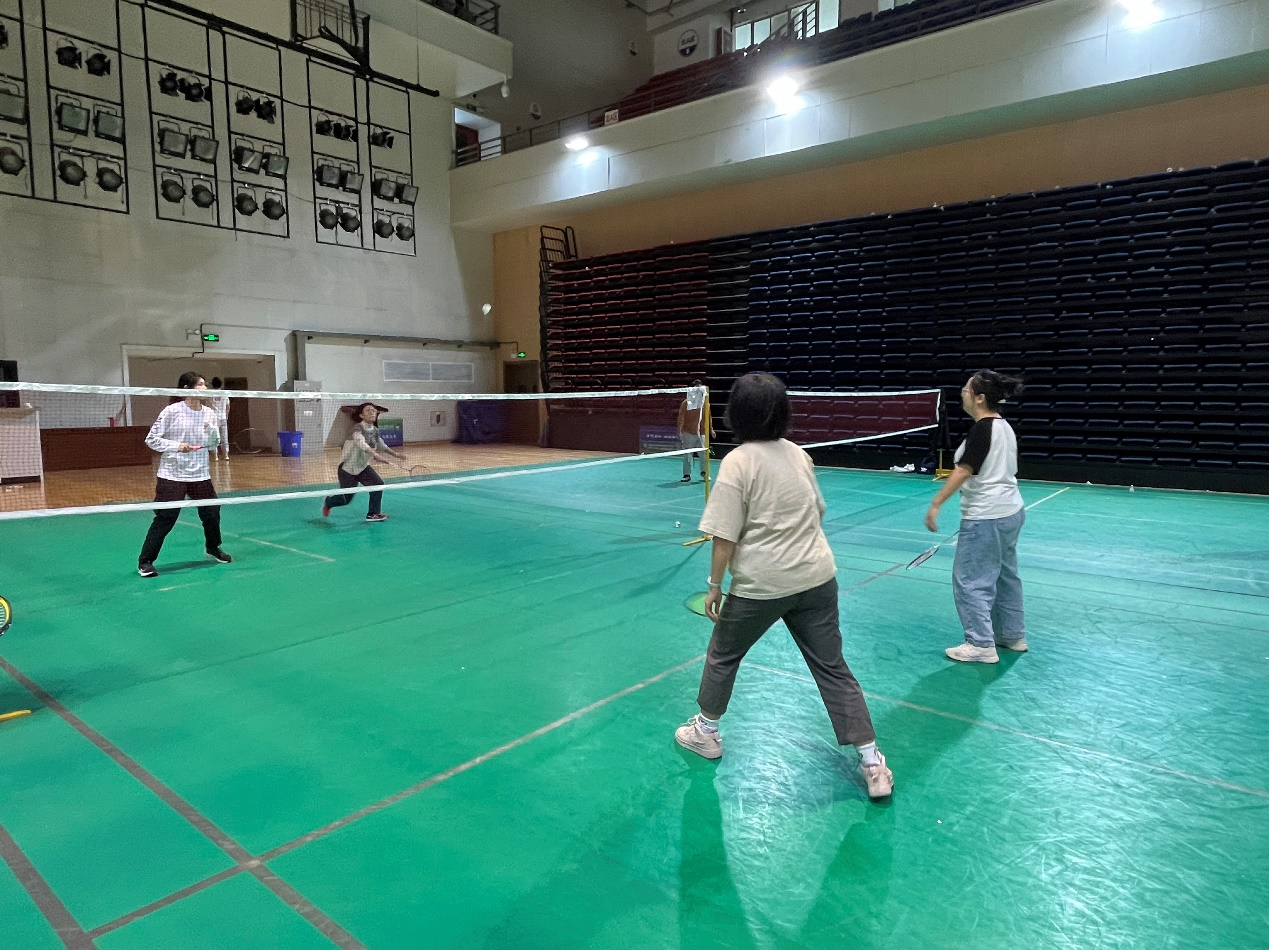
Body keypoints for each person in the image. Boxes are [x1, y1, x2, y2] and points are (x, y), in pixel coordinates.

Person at [674, 372, 894, 800]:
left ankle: (706, 732)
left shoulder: (737, 462)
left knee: (723, 654)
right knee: (833, 667)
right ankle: (872, 763)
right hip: (817, 577)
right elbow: (818, 511)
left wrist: (714, 584)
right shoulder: (799, 455)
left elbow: (724, 535)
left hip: (761, 585)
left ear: (737, 413)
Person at [924, 370, 1027, 664]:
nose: (962, 393)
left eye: (966, 390)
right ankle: (1011, 635)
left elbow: (965, 469)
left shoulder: (983, 429)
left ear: (980, 398)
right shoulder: (1004, 427)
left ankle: (980, 643)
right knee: (1006, 577)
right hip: (1011, 512)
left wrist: (936, 504)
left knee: (970, 580)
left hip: (986, 516)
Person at [137, 372, 231, 578]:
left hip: (200, 474)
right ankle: (145, 561)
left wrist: (212, 433)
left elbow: (214, 443)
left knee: (211, 512)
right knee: (166, 517)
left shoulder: (210, 413)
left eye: (205, 384)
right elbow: (151, 439)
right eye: (200, 384)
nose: (205, 388)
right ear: (187, 389)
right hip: (172, 474)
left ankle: (213, 547)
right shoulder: (172, 411)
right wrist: (177, 446)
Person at [322, 402, 406, 522]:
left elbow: (381, 444)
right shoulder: (357, 428)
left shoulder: (374, 430)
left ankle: (373, 514)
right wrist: (375, 454)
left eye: (373, 410)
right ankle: (329, 502)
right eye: (368, 410)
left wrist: (395, 454)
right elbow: (360, 443)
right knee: (345, 499)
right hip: (347, 468)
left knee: (378, 484)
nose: (372, 412)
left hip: (362, 467)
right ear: (361, 415)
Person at [677, 381, 714, 483]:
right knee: (687, 455)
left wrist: (711, 430)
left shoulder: (705, 403)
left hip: (702, 433)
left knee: (704, 454)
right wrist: (680, 431)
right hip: (688, 432)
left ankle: (704, 472)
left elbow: (709, 417)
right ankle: (686, 475)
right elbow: (681, 418)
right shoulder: (686, 403)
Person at [209, 377, 230, 462]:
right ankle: (226, 455)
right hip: (223, 417)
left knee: (214, 437)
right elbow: (228, 406)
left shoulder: (210, 394)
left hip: (214, 418)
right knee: (224, 437)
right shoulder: (225, 394)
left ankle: (215, 456)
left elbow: (207, 405)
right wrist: (226, 415)